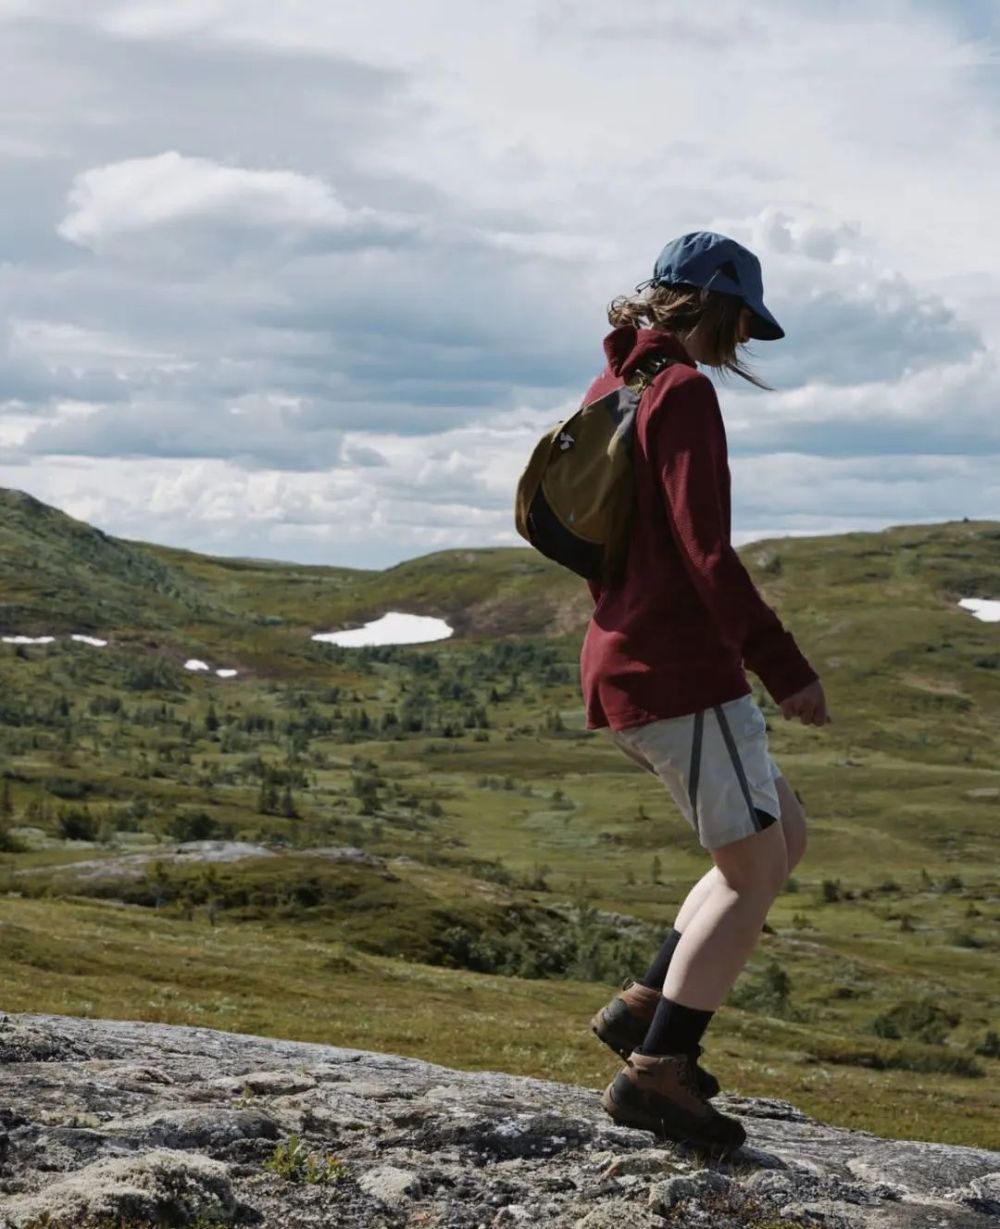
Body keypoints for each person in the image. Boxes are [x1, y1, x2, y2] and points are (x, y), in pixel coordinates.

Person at [580, 231, 831, 1154]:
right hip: (678, 668)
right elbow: (707, 552)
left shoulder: (616, 386)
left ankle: (646, 1001)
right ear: (715, 305)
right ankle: (658, 1072)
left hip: (625, 655)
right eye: (740, 324)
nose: (740, 345)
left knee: (782, 835)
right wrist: (785, 666)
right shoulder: (680, 393)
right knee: (754, 870)